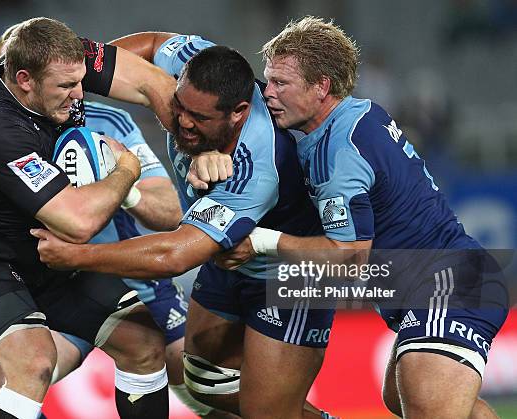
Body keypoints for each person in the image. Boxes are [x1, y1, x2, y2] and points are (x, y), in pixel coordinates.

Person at [187, 16, 509, 419]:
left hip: (448, 285)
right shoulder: (360, 114)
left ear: (321, 86)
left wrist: (261, 241)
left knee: (428, 407)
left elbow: (351, 258)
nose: (266, 94)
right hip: (430, 287)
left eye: (280, 84)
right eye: (267, 80)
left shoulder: (338, 155)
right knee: (407, 398)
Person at [31, 32, 338, 419]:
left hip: (286, 275)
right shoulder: (200, 65)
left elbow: (173, 254)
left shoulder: (258, 171)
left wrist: (78, 255)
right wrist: (71, 83)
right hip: (228, 257)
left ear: (238, 112)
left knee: (269, 414)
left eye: (200, 119)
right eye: (180, 106)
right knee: (204, 380)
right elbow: (154, 43)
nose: (183, 123)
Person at [0, 17, 177, 419]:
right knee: (32, 365)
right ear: (23, 79)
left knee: (143, 342)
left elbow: (155, 84)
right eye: (66, 87)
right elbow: (77, 222)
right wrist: (125, 170)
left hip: (45, 252)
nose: (80, 95)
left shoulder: (60, 65)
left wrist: (203, 148)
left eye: (81, 81)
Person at [0, 25, 233, 419]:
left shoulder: (108, 123)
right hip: (58, 285)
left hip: (134, 280)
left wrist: (123, 185)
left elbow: (168, 211)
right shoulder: (2, 135)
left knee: (200, 386)